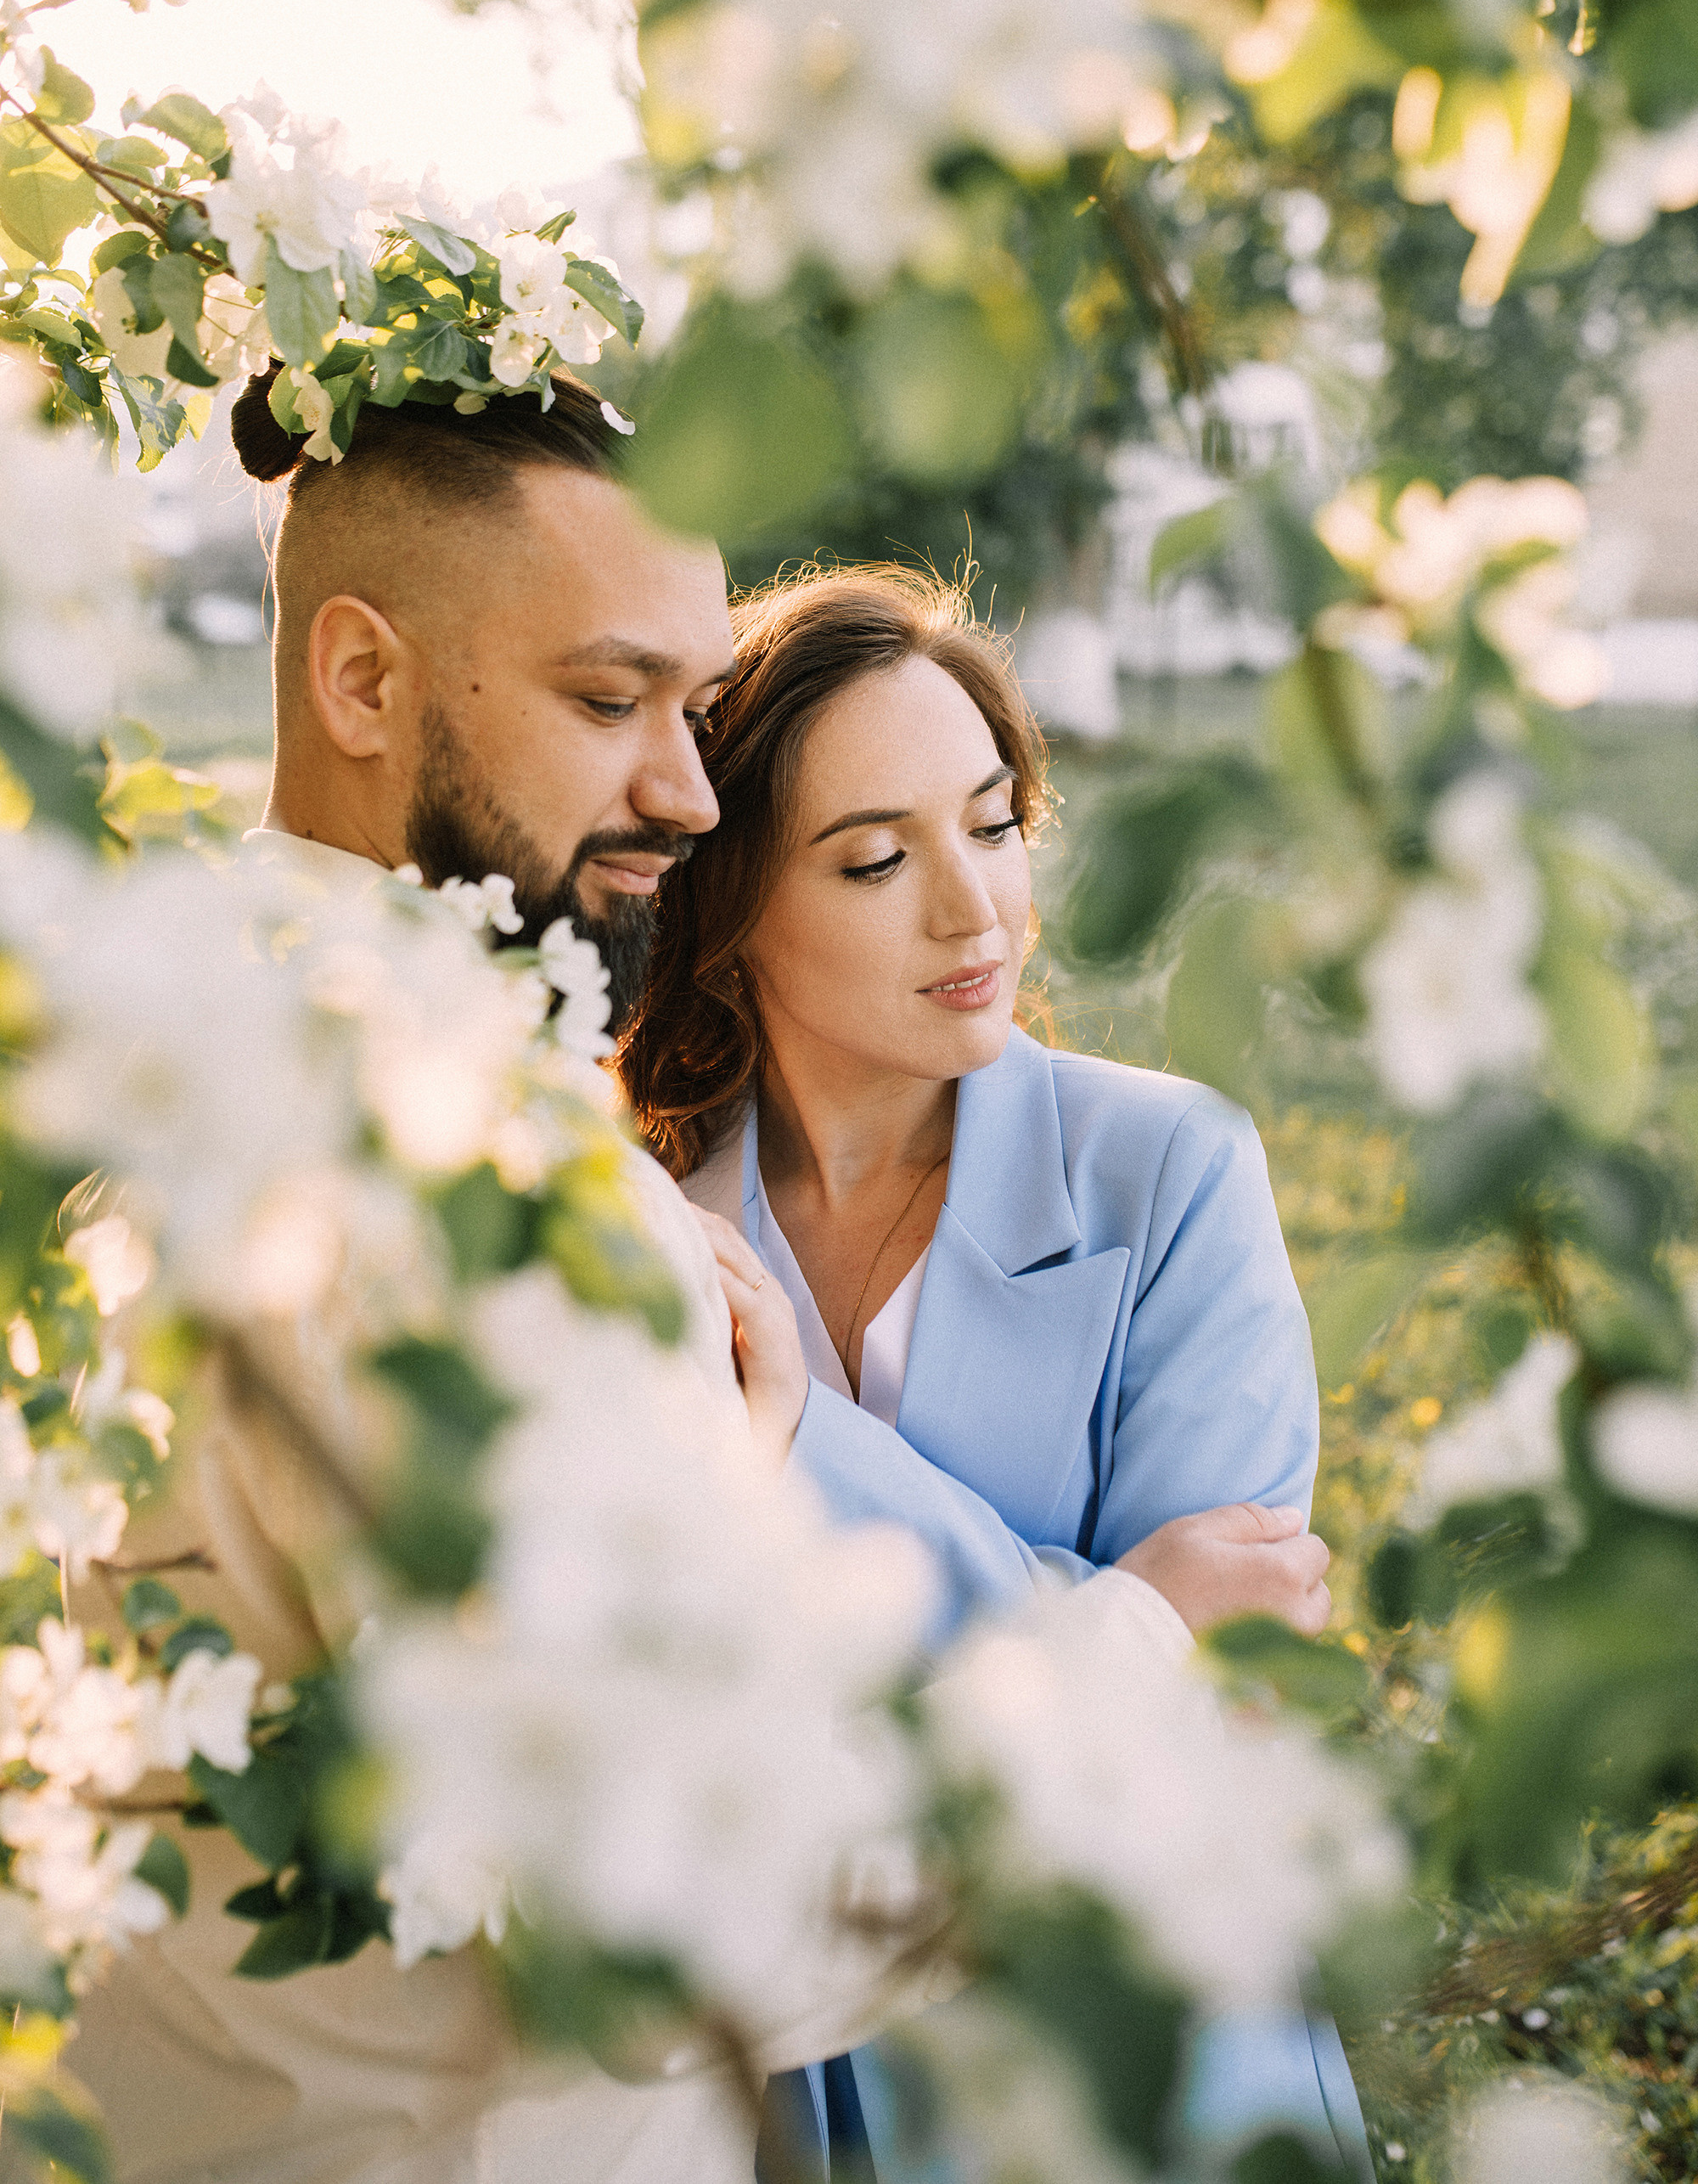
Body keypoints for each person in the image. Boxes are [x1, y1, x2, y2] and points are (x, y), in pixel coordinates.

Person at [66, 379, 1296, 2184]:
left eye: (694, 705)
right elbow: (675, 1926)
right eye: (605, 698)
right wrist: (1138, 1642)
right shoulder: (492, 1196)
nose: (686, 787)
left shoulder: (156, 1066)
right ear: (362, 680)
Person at [619, 564, 1369, 2175]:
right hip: (787, 2075)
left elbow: (1210, 1717)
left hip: (1137, 2073)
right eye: (878, 858)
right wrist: (1127, 1614)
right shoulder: (653, 1233)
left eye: (994, 823)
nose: (977, 909)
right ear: (728, 914)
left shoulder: (1171, 1174)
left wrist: (797, 1440)